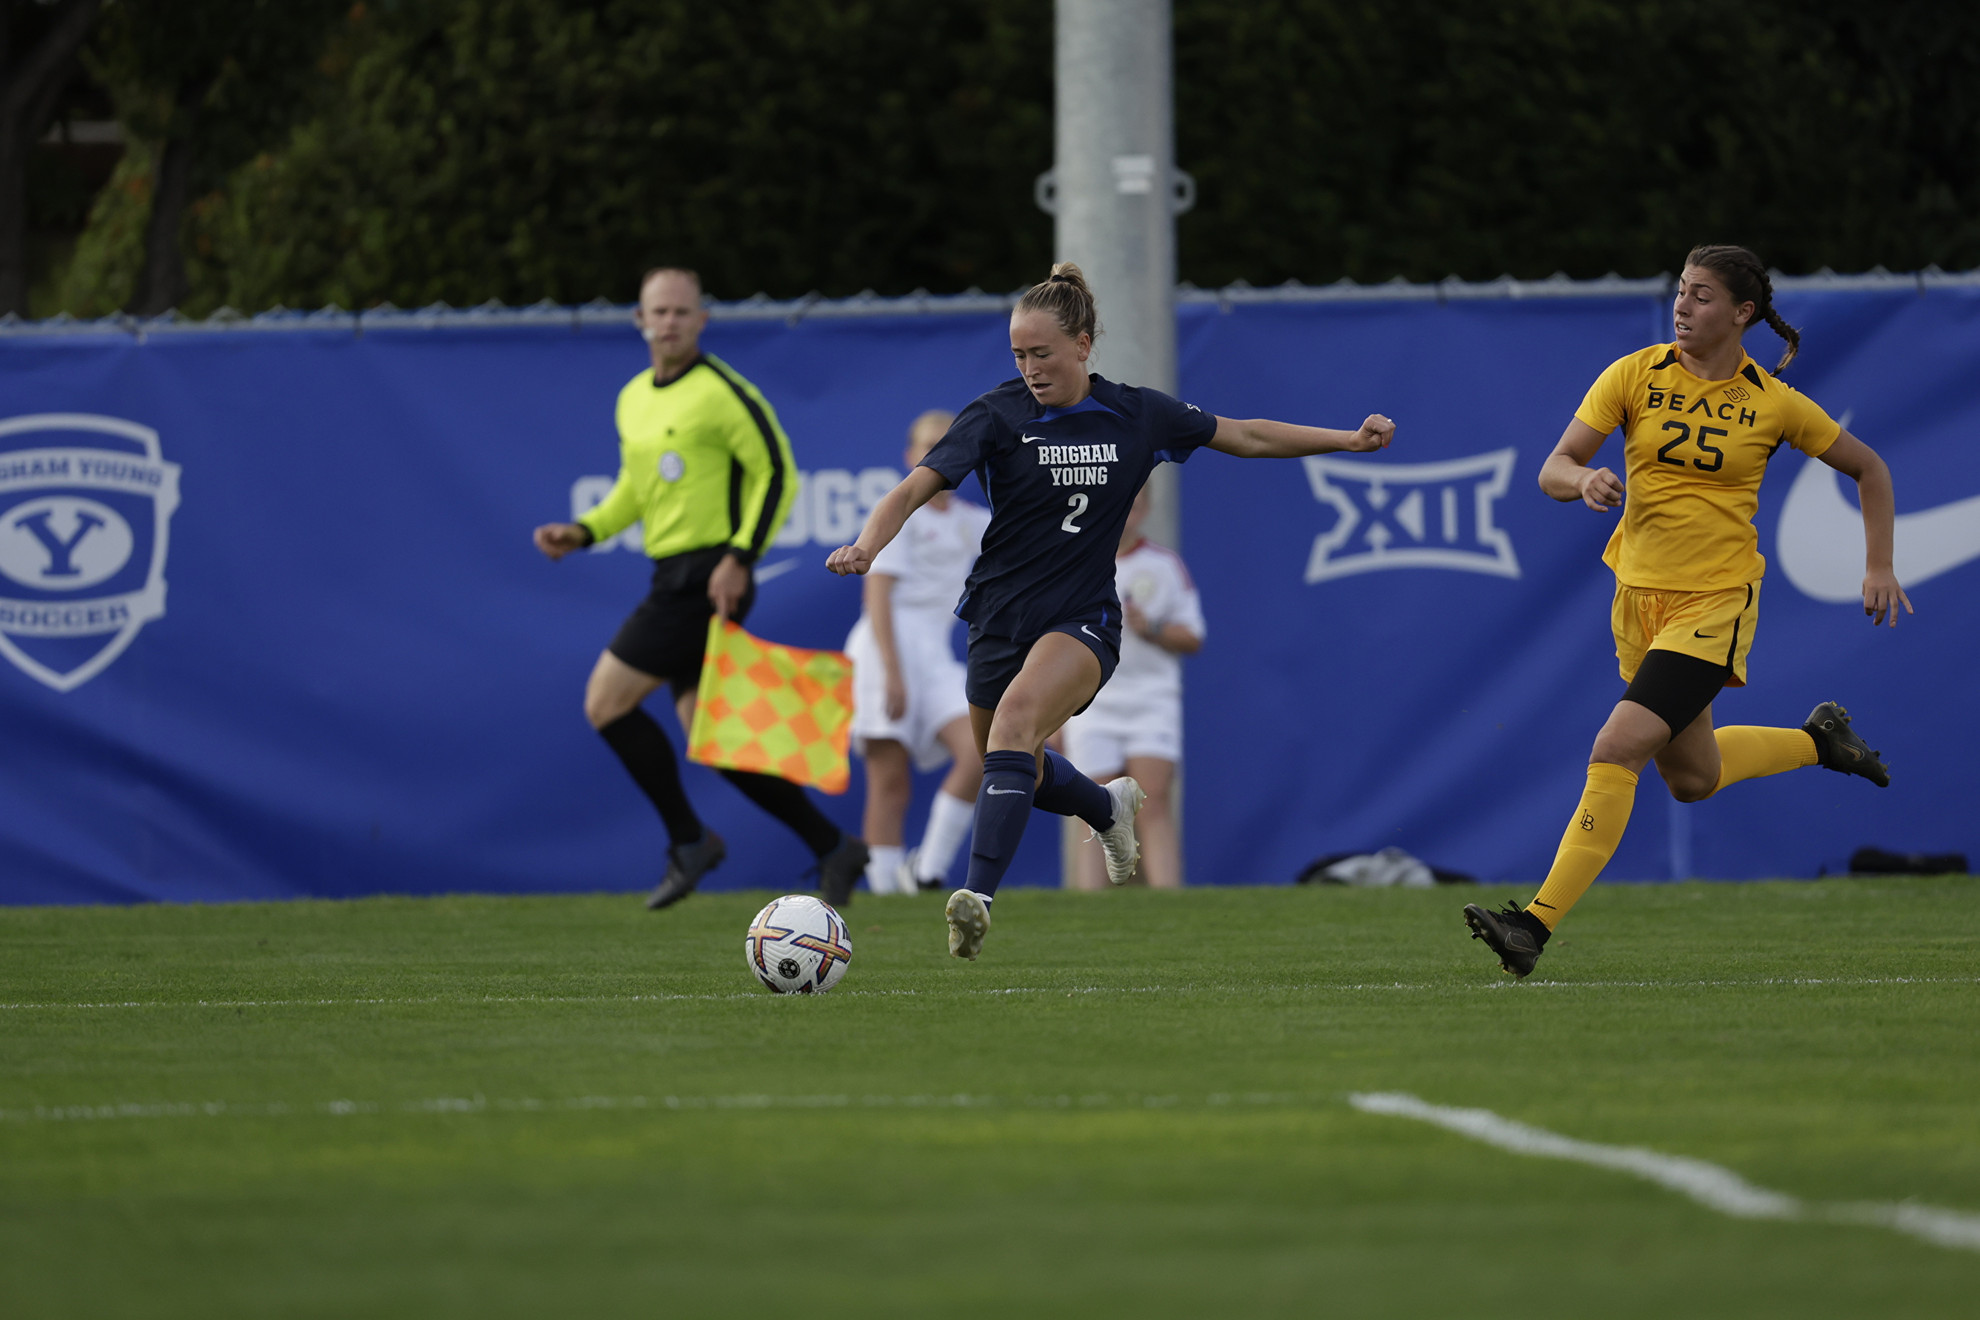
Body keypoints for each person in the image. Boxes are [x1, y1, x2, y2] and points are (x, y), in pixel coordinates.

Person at [827, 262, 1395, 959]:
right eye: (1019, 355)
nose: (1031, 368)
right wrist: (866, 545)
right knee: (1014, 762)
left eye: (1043, 353)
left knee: (1012, 729)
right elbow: (913, 487)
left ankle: (975, 899)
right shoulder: (997, 414)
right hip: (998, 617)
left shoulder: (1137, 413)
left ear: (1084, 345)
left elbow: (1243, 434)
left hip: (1083, 619)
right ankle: (1106, 806)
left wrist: (1347, 440)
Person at [1464, 244, 1912, 978]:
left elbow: (1869, 468)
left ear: (1741, 314)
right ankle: (1819, 744)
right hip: (1637, 598)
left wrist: (1879, 564)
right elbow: (1554, 467)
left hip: (1715, 600)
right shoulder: (1635, 373)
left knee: (1617, 746)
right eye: (1681, 291)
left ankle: (1531, 926)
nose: (1682, 306)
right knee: (1692, 778)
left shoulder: (1773, 402)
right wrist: (1582, 482)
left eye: (1701, 296)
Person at [535, 266, 869, 911]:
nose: (668, 323)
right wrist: (583, 531)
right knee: (712, 736)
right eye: (657, 312)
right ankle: (832, 845)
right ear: (639, 320)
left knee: (606, 702)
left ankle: (690, 840)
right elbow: (635, 489)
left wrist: (740, 557)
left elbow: (778, 473)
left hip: (710, 578)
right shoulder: (633, 397)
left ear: (702, 320)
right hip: (673, 574)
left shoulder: (723, 392)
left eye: (681, 312)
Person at [844, 409, 992, 894]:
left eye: (944, 444)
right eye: (926, 446)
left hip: (935, 656)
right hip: (883, 651)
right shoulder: (900, 513)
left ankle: (926, 870)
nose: (936, 453)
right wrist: (892, 673)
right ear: (911, 457)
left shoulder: (976, 521)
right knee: (890, 779)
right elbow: (877, 598)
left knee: (980, 750)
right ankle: (885, 891)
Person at [1062, 485, 1203, 890]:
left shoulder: (1164, 565)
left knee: (1153, 802)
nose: (1127, 512)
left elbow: (1192, 636)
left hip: (1151, 700)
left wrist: (1152, 628)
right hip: (1090, 703)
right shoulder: (1078, 563)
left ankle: (1168, 904)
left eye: (1136, 504)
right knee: (1089, 808)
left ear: (1146, 510)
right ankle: (1088, 912)